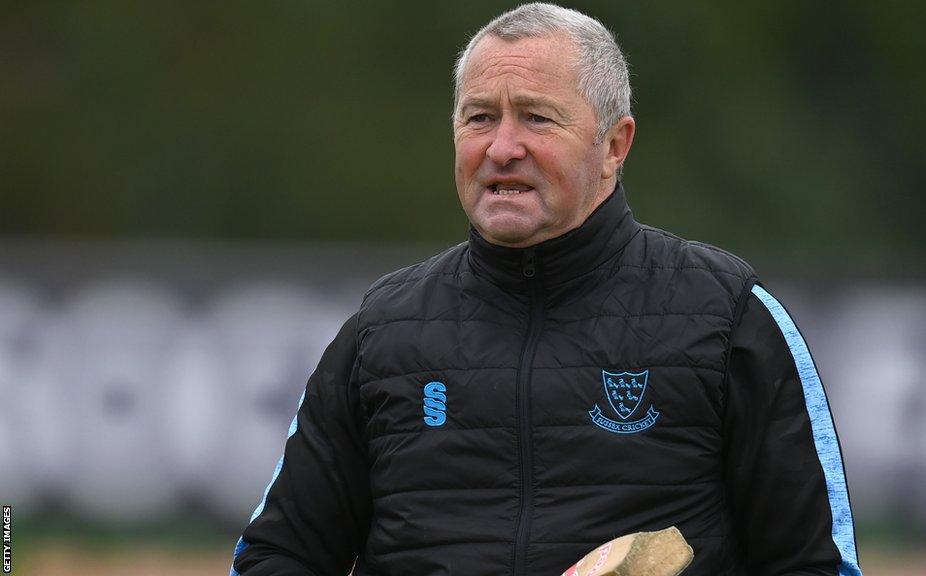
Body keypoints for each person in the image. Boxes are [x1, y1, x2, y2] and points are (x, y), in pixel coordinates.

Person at [230, 3, 863, 575]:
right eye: (480, 117)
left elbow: (815, 564)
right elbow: (277, 557)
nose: (502, 147)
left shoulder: (727, 317)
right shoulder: (384, 331)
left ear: (614, 144)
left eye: (536, 117)